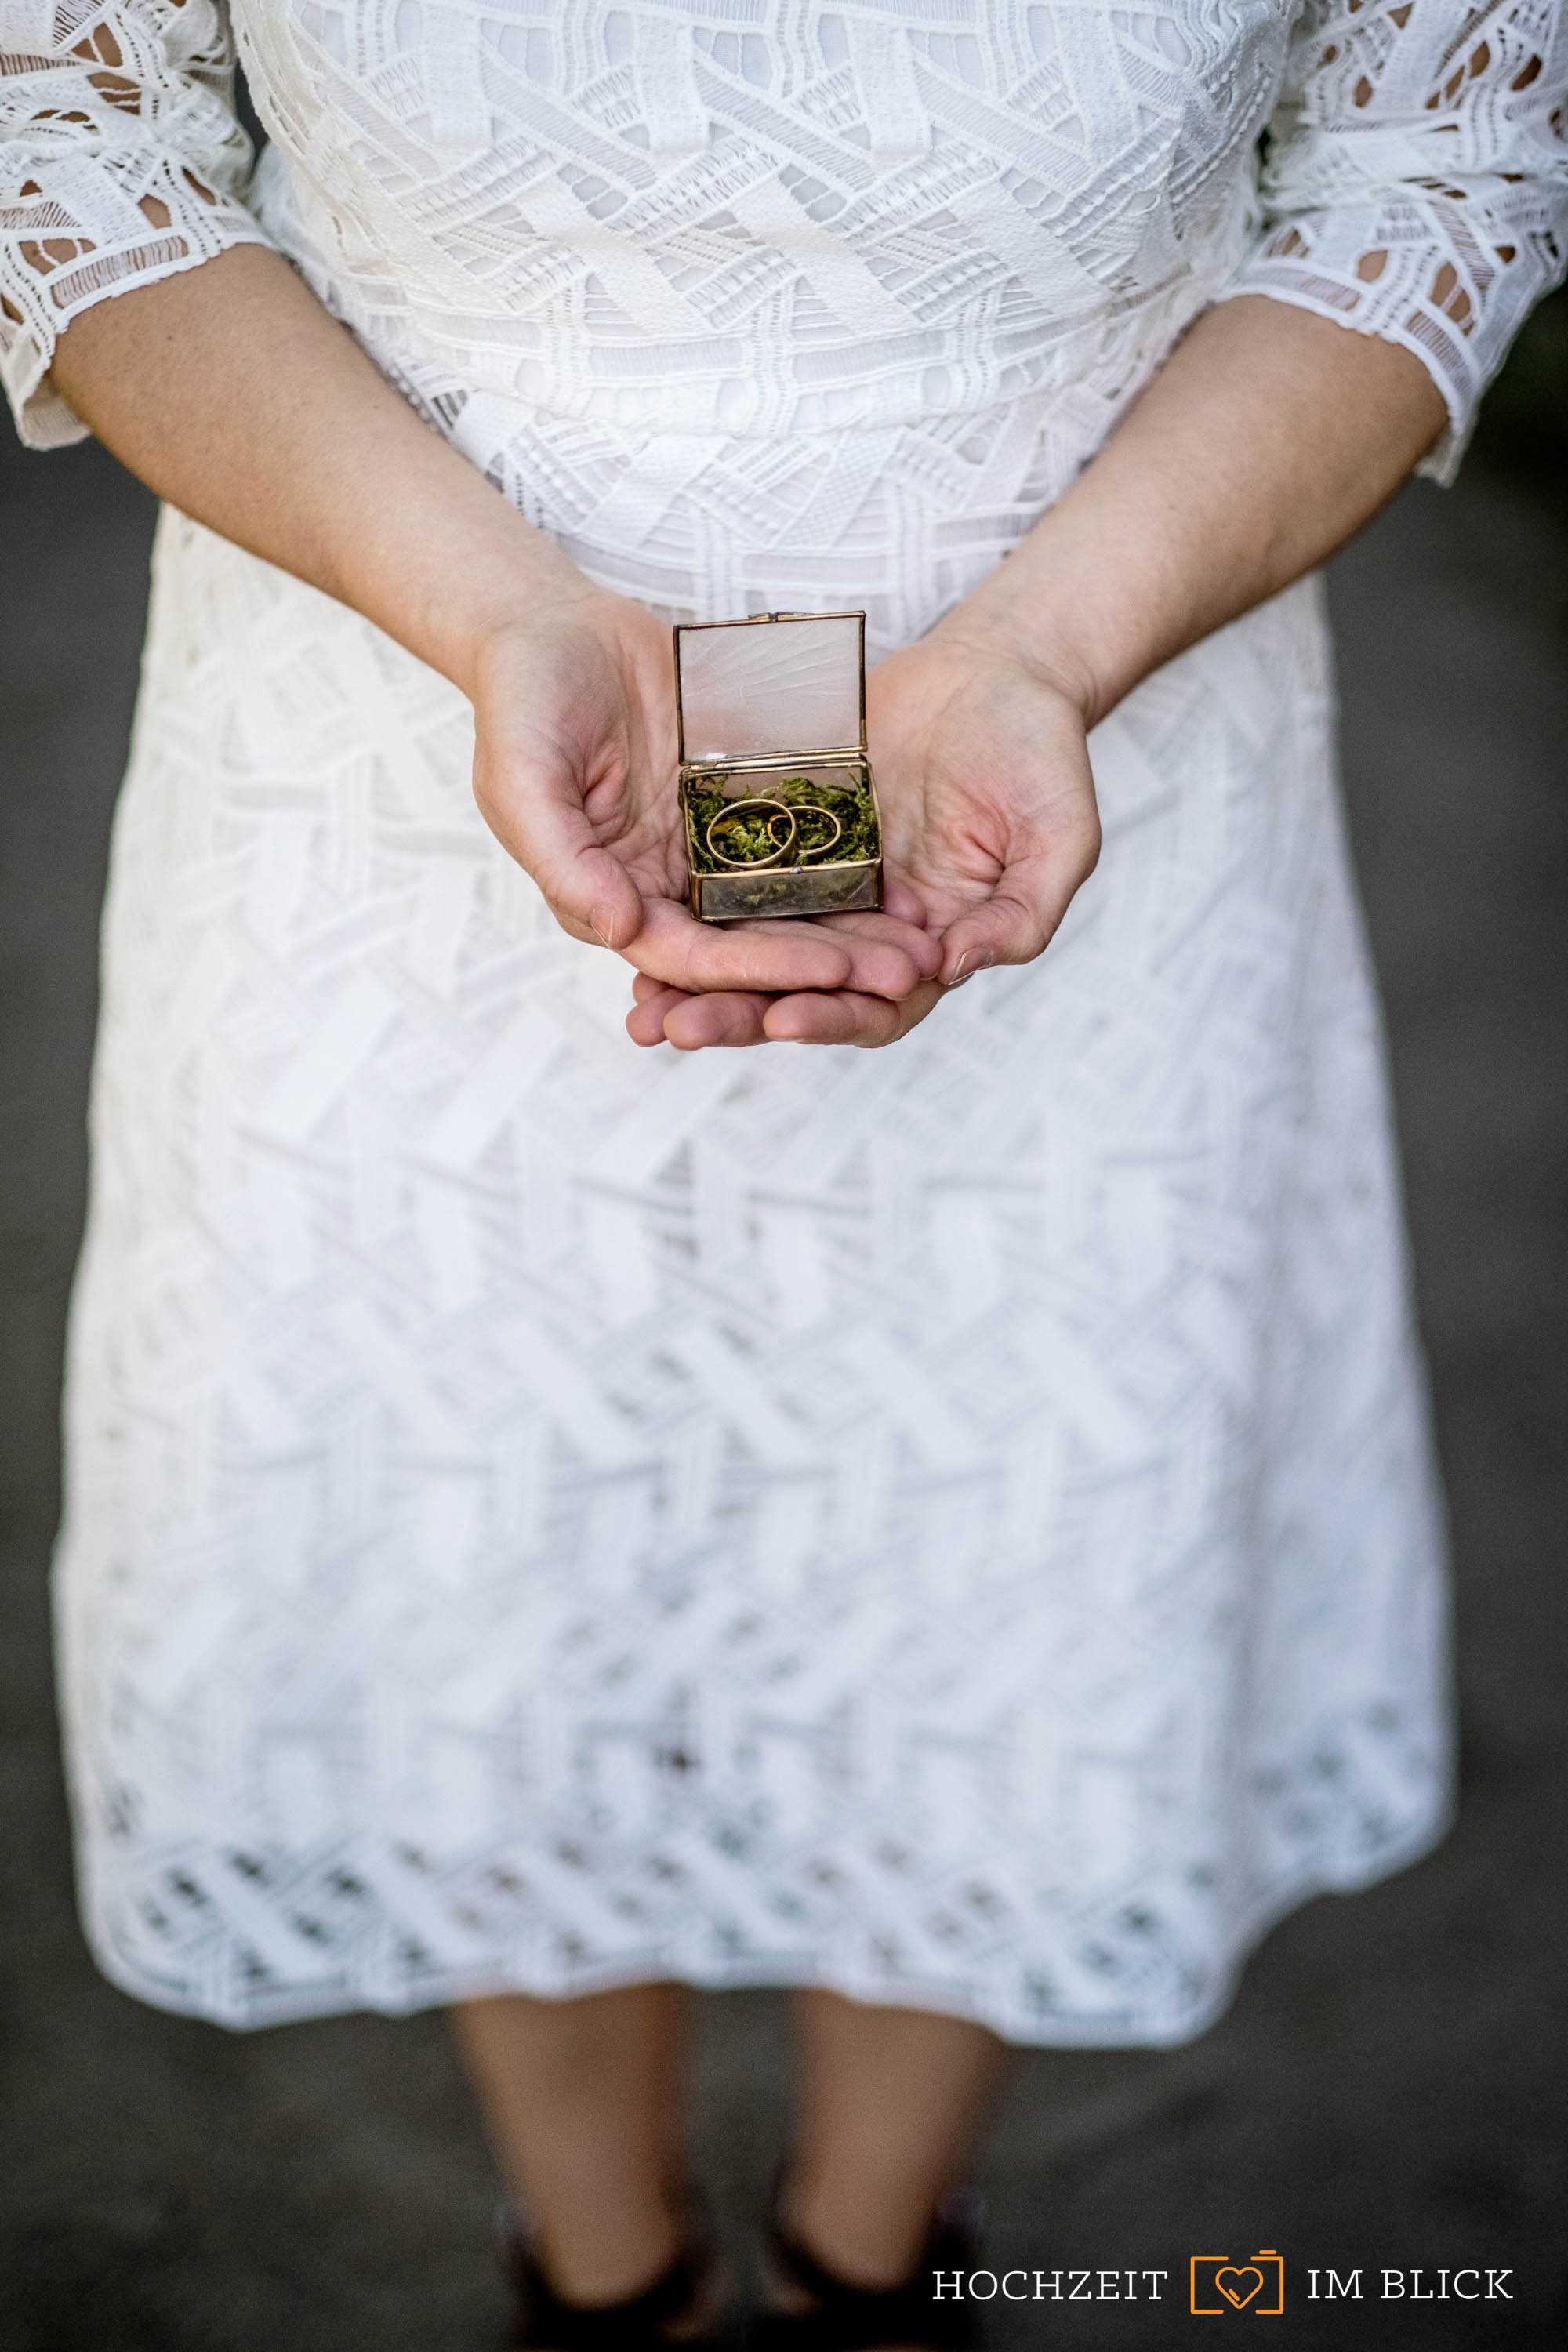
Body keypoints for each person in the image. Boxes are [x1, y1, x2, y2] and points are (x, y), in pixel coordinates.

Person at [4, 2, 1565, 2343]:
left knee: (997, 1526)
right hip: (392, 723)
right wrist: (497, 607)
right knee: (492, 1546)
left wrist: (1056, 639)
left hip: (1102, 693)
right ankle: (608, 2282)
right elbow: (74, 138)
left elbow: (1430, 171)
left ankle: (867, 2265)